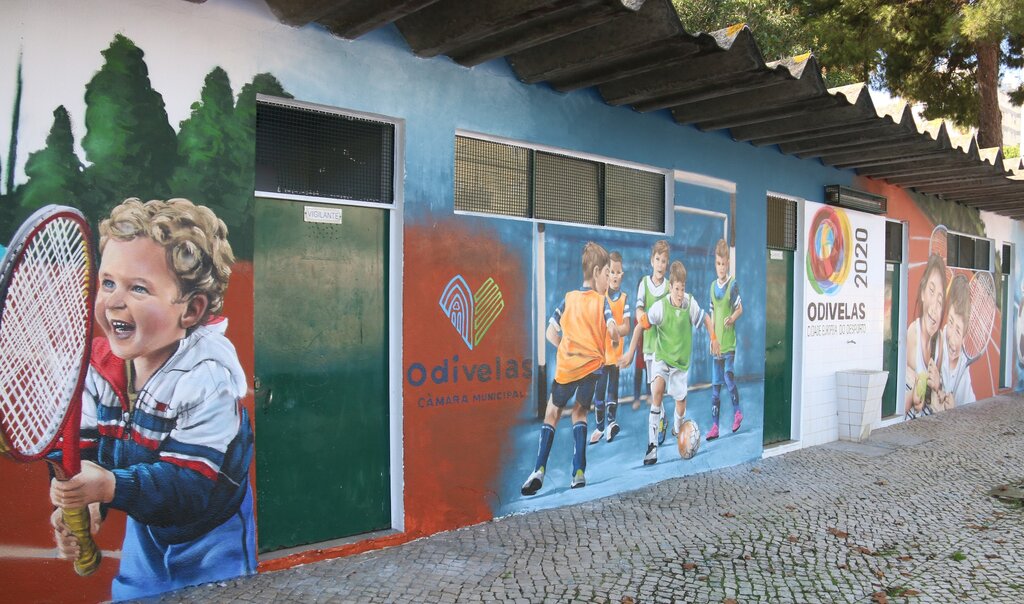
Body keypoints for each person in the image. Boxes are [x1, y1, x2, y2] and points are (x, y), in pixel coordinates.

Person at [49, 198, 255, 600]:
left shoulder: (209, 376)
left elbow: (189, 486)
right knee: (133, 594)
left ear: (191, 310)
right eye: (108, 283)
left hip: (214, 529)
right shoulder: (95, 369)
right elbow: (84, 449)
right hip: (147, 523)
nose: (114, 301)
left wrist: (108, 486)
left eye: (138, 288)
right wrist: (85, 504)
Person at [521, 242, 618, 495]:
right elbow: (612, 327)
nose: (608, 280)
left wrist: (565, 346)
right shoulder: (602, 302)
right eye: (607, 274)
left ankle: (539, 470)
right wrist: (615, 337)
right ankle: (578, 472)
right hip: (592, 370)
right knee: (580, 413)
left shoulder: (568, 299)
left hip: (567, 368)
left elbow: (550, 332)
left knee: (552, 412)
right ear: (596, 272)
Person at [620, 261, 715, 465]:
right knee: (657, 393)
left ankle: (677, 428)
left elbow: (706, 318)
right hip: (662, 358)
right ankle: (652, 447)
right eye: (677, 289)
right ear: (670, 287)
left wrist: (714, 339)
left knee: (681, 405)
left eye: (683, 288)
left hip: (680, 364)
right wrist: (630, 353)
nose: (680, 293)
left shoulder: (689, 303)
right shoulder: (660, 307)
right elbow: (639, 327)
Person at [590, 251, 630, 444]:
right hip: (600, 355)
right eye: (611, 272)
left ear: (622, 274)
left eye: (617, 272)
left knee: (612, 390)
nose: (614, 276)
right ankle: (599, 427)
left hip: (615, 356)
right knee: (599, 392)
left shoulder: (624, 299)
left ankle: (611, 423)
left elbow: (627, 327)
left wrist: (615, 331)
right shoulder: (600, 298)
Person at [706, 239, 743, 440]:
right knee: (715, 387)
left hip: (729, 343)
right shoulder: (712, 287)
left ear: (728, 263)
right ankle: (715, 427)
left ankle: (737, 413)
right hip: (717, 345)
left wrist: (732, 318)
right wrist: (712, 338)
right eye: (718, 264)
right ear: (715, 264)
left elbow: (740, 309)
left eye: (724, 263)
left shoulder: (732, 284)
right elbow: (712, 316)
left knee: (728, 377)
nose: (721, 267)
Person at [633, 240, 670, 438]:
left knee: (657, 388)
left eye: (664, 261)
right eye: (657, 259)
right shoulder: (644, 284)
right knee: (654, 389)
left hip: (662, 346)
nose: (660, 264)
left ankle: (656, 432)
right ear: (651, 261)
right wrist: (642, 317)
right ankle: (663, 417)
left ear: (667, 263)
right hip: (648, 344)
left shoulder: (670, 287)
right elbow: (639, 308)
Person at [905, 253, 948, 419]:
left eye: (940, 300)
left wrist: (938, 386)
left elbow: (938, 399)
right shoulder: (913, 334)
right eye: (931, 291)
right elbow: (903, 404)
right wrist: (914, 398)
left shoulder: (940, 340)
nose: (935, 307)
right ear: (923, 293)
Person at [934, 274, 975, 411]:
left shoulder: (964, 366)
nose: (952, 337)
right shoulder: (935, 345)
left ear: (964, 335)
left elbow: (971, 411)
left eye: (958, 331)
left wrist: (954, 410)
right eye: (950, 322)